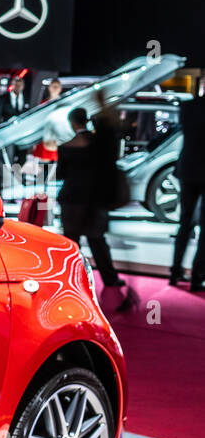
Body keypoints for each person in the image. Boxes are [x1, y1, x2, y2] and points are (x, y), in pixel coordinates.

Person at [56, 104, 129, 303]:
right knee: (98, 242)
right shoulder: (99, 144)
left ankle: (68, 282)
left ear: (72, 123)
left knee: (71, 244)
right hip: (94, 200)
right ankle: (111, 279)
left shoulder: (65, 146)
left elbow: (60, 174)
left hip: (71, 200)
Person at [171, 92, 205, 291]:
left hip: (187, 168)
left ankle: (175, 271)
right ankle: (197, 276)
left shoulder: (188, 107)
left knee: (185, 222)